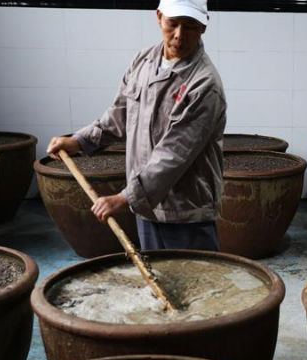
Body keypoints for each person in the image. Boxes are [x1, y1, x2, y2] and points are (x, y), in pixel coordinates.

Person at [47, 0, 226, 251]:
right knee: (157, 282)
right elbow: (120, 114)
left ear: (203, 27)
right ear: (159, 17)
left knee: (198, 285)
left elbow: (173, 155)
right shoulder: (144, 61)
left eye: (190, 27)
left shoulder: (204, 84)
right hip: (148, 207)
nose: (179, 35)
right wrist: (79, 141)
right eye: (172, 24)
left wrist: (125, 197)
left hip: (186, 210)